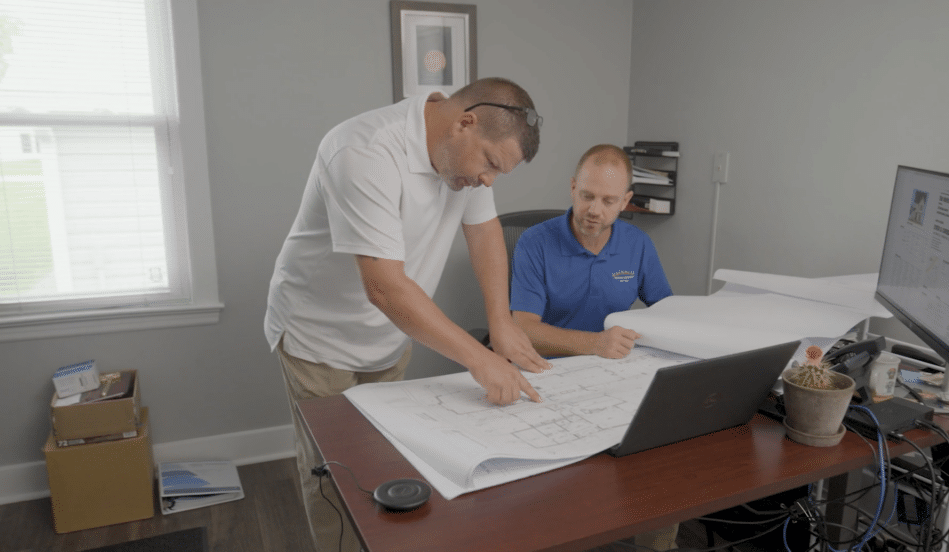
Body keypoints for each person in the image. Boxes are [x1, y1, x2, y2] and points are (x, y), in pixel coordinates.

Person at [265, 77, 551, 552]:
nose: (487, 181)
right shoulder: (363, 152)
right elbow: (384, 286)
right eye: (491, 165)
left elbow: (485, 234)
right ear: (464, 123)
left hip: (390, 333)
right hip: (317, 333)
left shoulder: (466, 158)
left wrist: (501, 322)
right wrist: (480, 359)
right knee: (333, 472)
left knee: (383, 456)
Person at [510, 144, 678, 550]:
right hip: (548, 379)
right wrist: (595, 344)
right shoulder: (535, 242)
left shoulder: (637, 245)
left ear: (625, 202)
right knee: (566, 497)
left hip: (614, 379)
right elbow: (522, 329)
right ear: (572, 189)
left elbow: (669, 313)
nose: (594, 210)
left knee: (665, 472)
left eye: (607, 201)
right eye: (586, 196)